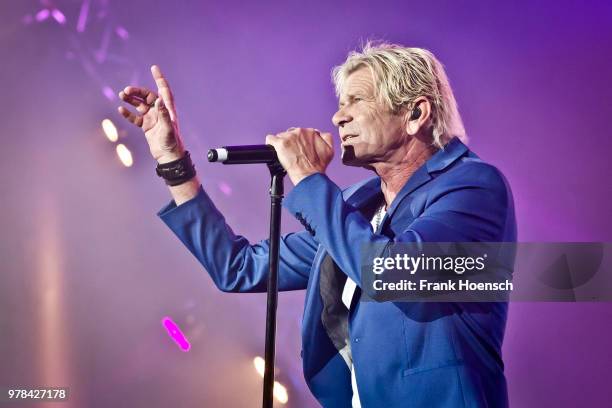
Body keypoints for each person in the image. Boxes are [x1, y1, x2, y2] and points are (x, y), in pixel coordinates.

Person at [118, 42, 516, 408]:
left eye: (356, 100)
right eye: (340, 102)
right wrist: (173, 162)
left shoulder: (472, 186)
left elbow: (391, 272)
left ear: (415, 113)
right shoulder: (358, 209)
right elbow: (238, 267)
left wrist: (308, 178)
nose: (337, 116)